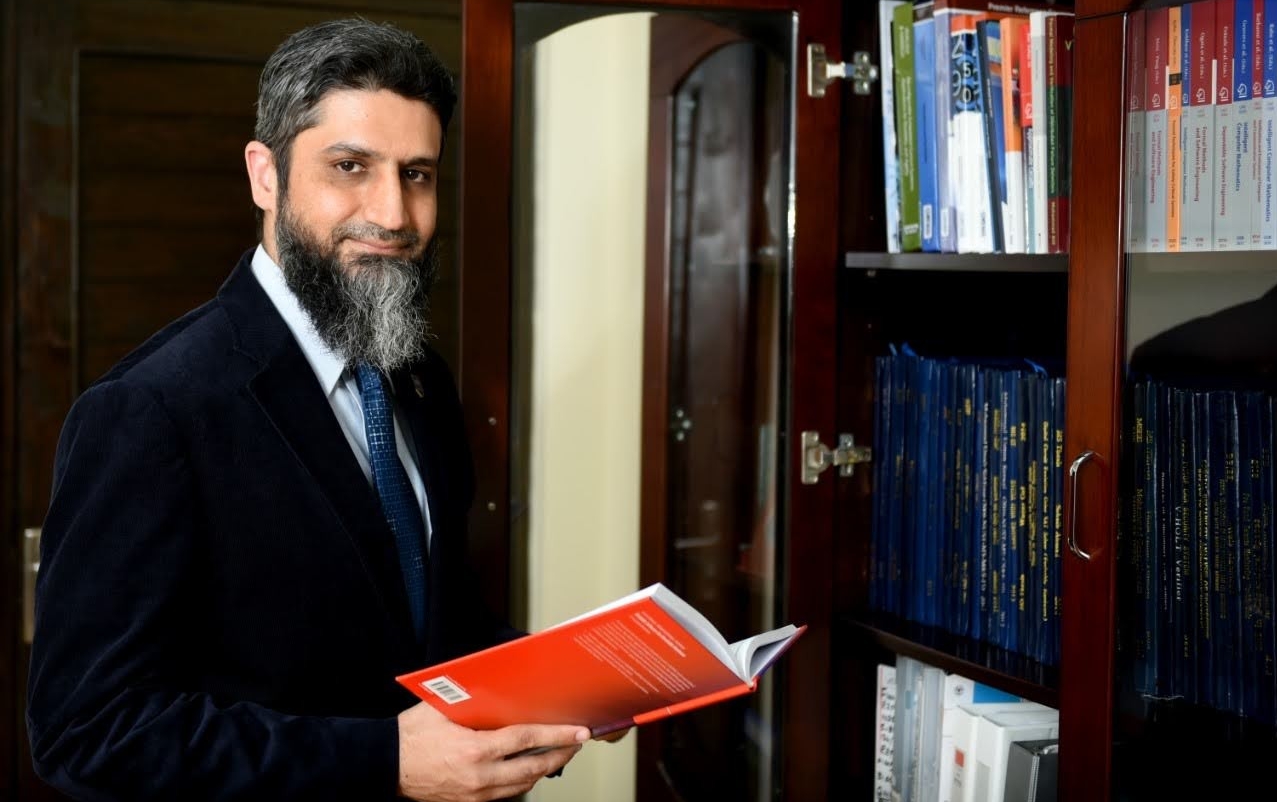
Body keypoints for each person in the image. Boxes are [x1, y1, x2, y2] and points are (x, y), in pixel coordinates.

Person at [26, 18, 593, 801]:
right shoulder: (150, 409)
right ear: (265, 175)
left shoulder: (417, 373)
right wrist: (385, 761)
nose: (394, 214)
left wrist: (562, 689)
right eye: (350, 166)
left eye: (418, 174)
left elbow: (430, 616)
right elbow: (89, 732)